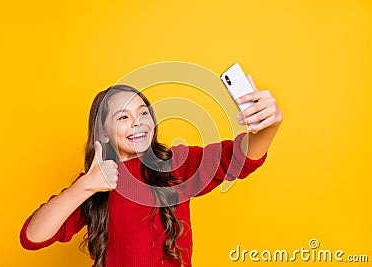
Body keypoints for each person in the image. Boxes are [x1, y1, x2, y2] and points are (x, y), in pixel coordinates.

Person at [20, 76, 282, 267]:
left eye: (143, 113)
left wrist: (269, 127)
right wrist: (85, 185)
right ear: (104, 134)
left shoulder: (176, 164)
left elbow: (239, 159)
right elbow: (32, 237)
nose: (138, 122)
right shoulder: (95, 182)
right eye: (123, 117)